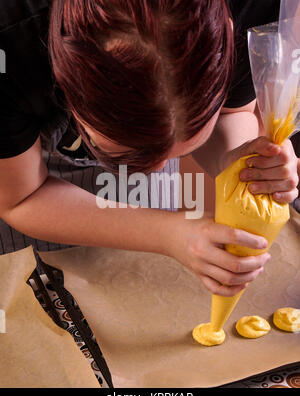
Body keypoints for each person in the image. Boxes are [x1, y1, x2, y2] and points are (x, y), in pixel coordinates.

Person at [0, 0, 299, 298]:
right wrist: (167, 233)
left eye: (179, 150)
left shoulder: (252, 8)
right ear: (61, 70)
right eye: (127, 154)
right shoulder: (9, 39)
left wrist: (236, 160)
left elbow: (231, 113)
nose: (156, 174)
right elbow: (21, 198)